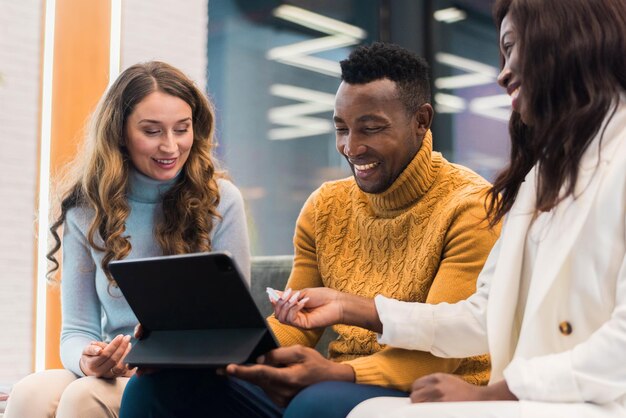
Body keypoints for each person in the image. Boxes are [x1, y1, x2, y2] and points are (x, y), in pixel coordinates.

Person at [273, 1, 626, 417]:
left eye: (512, 48)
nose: (503, 73)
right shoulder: (541, 179)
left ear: (570, 44)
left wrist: (493, 395)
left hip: (585, 402)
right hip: (541, 399)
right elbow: (482, 316)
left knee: (325, 408)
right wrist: (349, 306)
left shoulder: (477, 200)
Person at [119, 43, 500, 418]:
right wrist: (221, 356)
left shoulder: (470, 207)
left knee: (312, 403)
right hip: (334, 385)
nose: (351, 147)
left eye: (371, 128)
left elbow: (443, 349)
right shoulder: (325, 207)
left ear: (421, 121)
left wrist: (339, 373)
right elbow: (295, 325)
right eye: (341, 128)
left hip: (426, 389)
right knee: (155, 387)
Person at [4, 61, 251, 418]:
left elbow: (233, 328)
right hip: (114, 370)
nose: (170, 146)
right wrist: (89, 360)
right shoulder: (87, 209)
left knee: (83, 398)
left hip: (184, 376)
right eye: (152, 131)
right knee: (28, 394)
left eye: (182, 129)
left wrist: (152, 362)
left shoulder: (221, 201)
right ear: (119, 133)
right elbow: (76, 330)